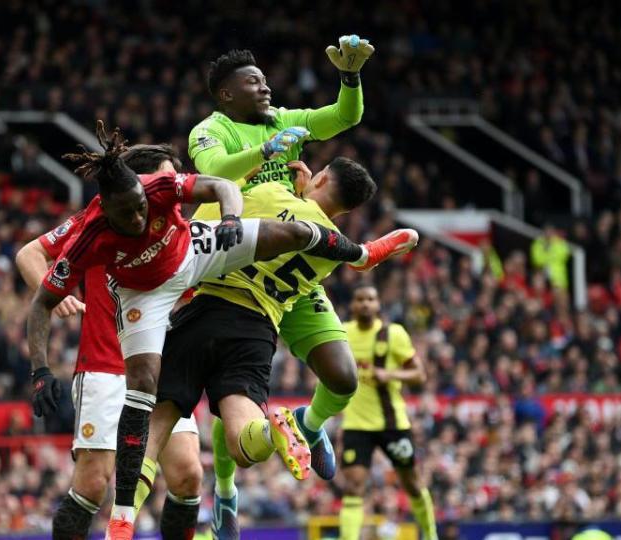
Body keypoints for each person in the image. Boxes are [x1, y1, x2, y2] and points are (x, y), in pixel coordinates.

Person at [26, 122, 402, 540]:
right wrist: (40, 367)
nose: (139, 217)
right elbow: (35, 274)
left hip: (195, 268)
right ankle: (124, 521)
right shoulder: (86, 233)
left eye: (142, 206)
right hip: (136, 324)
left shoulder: (165, 191)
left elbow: (222, 186)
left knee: (186, 471)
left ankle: (363, 254)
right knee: (115, 455)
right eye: (127, 212)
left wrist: (228, 219)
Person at [141, 159, 416, 539]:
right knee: (243, 432)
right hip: (259, 328)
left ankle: (122, 522)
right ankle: (258, 452)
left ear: (319, 176)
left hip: (211, 304)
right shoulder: (332, 248)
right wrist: (365, 253)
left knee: (154, 424)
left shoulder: (270, 190)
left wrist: (261, 180)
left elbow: (211, 213)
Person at [189, 37, 381, 488]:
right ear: (226, 95)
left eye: (264, 79)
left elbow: (343, 117)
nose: (265, 88)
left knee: (342, 376)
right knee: (232, 386)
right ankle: (224, 490)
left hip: (291, 267)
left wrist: (349, 79)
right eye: (253, 82)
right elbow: (215, 172)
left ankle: (308, 426)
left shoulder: (283, 120)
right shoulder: (210, 130)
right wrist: (267, 150)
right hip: (234, 265)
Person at [15, 143, 203, 540]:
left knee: (188, 473)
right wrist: (56, 292)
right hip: (105, 365)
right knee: (94, 482)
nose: (173, 190)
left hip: (157, 370)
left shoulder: (174, 228)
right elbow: (30, 253)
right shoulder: (98, 222)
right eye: (164, 178)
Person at [338, 285, 437, 540]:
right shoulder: (342, 333)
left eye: (371, 299)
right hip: (356, 424)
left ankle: (430, 533)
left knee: (412, 483)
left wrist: (390, 374)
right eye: (360, 299)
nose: (365, 304)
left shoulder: (393, 334)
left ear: (378, 304)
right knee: (353, 487)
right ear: (353, 305)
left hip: (392, 423)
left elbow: (420, 374)